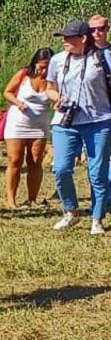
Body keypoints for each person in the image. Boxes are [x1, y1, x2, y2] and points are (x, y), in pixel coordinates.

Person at [44, 18, 111, 233]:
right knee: (61, 168)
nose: (64, 41)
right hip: (65, 121)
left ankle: (97, 218)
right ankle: (70, 211)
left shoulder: (100, 58)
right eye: (62, 37)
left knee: (97, 172)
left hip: (98, 121)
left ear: (83, 38)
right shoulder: (57, 60)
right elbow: (49, 88)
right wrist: (58, 98)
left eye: (68, 37)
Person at [1, 48, 54, 209]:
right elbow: (7, 92)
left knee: (36, 161)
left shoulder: (53, 79)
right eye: (40, 67)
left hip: (39, 125)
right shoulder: (24, 74)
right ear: (35, 63)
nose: (43, 71)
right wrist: (18, 103)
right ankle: (11, 200)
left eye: (47, 67)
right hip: (18, 123)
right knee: (15, 160)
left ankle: (32, 199)